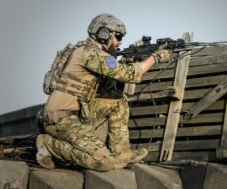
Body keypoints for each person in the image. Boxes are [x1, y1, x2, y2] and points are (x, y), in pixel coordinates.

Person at [36, 13, 171, 171]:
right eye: (118, 36)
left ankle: (121, 153)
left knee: (117, 100)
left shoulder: (89, 51)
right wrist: (156, 57)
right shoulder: (89, 53)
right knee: (103, 162)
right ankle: (47, 143)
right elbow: (131, 74)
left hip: (76, 114)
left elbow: (105, 86)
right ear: (104, 34)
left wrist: (126, 62)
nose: (120, 42)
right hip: (59, 120)